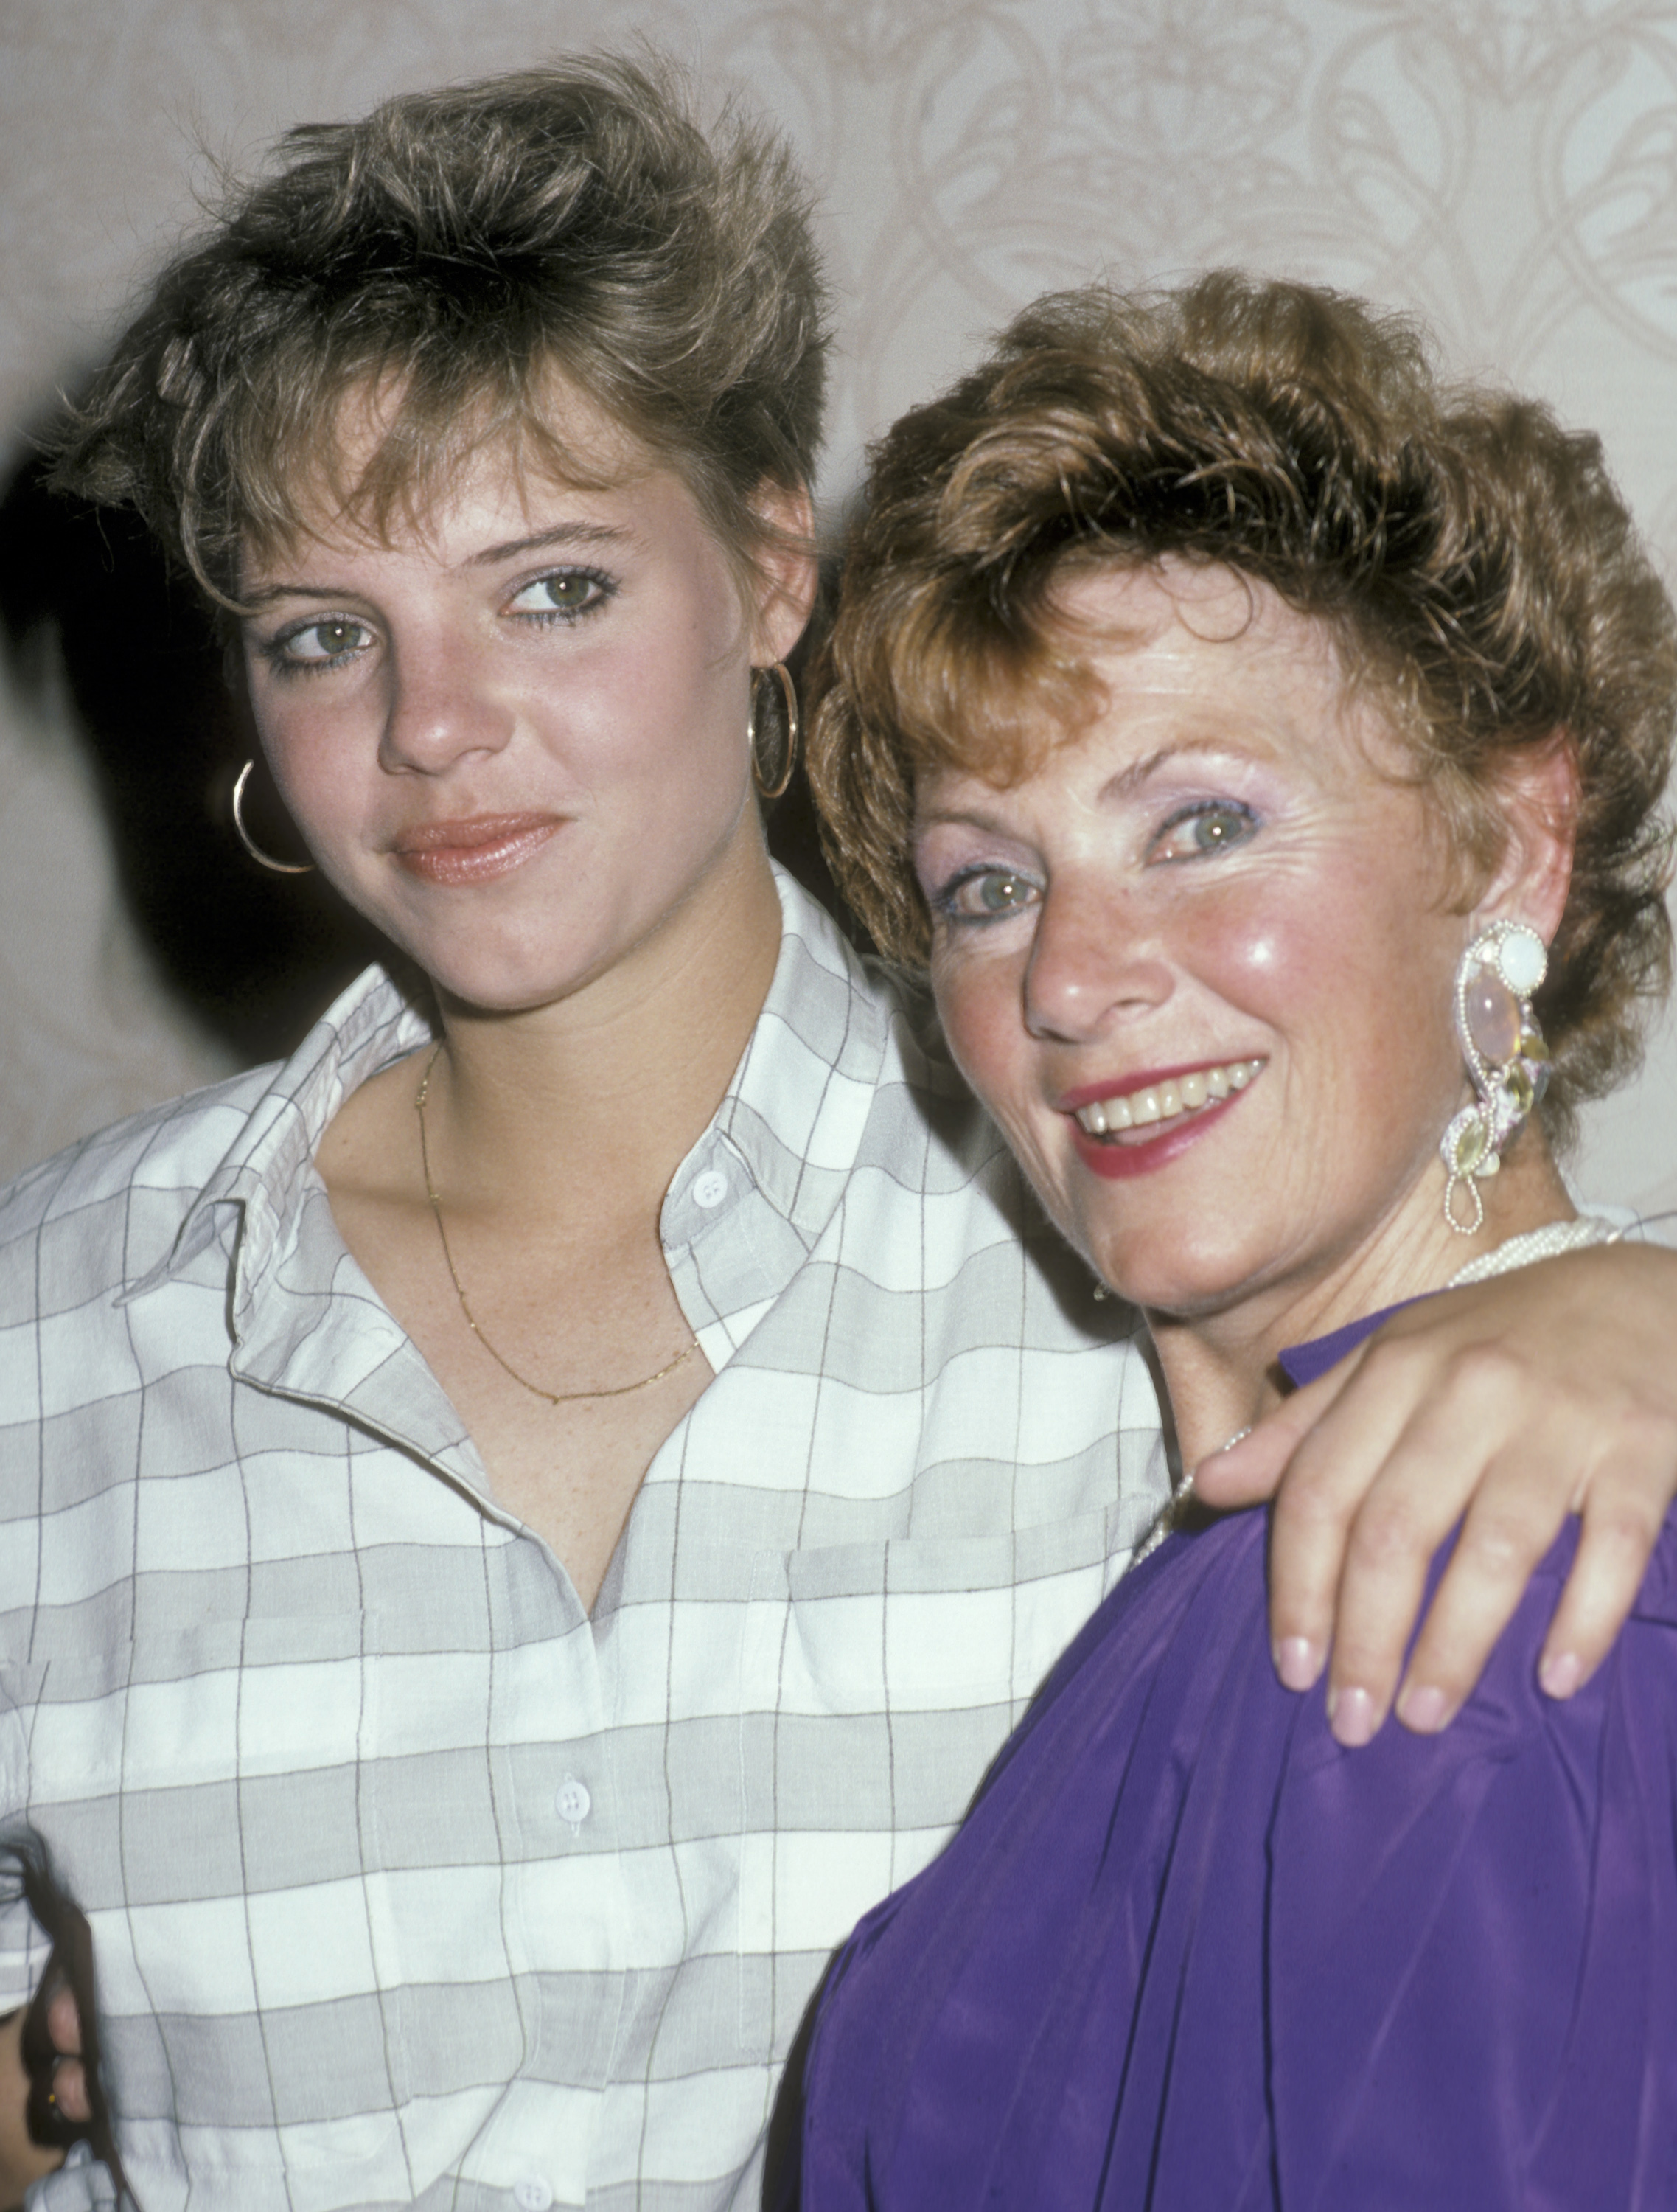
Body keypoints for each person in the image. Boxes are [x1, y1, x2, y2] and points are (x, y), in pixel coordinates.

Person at [1, 68, 1675, 2212]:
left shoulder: (1111, 1224)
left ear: (771, 570)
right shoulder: (54, 1325)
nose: (433, 733)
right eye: (325, 639)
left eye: (553, 590)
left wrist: (1621, 1309)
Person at [797, 271, 1677, 2205]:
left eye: (1197, 824)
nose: (1071, 980)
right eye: (986, 883)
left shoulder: (1458, 1599)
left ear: (1505, 851)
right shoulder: (1244, 1555)